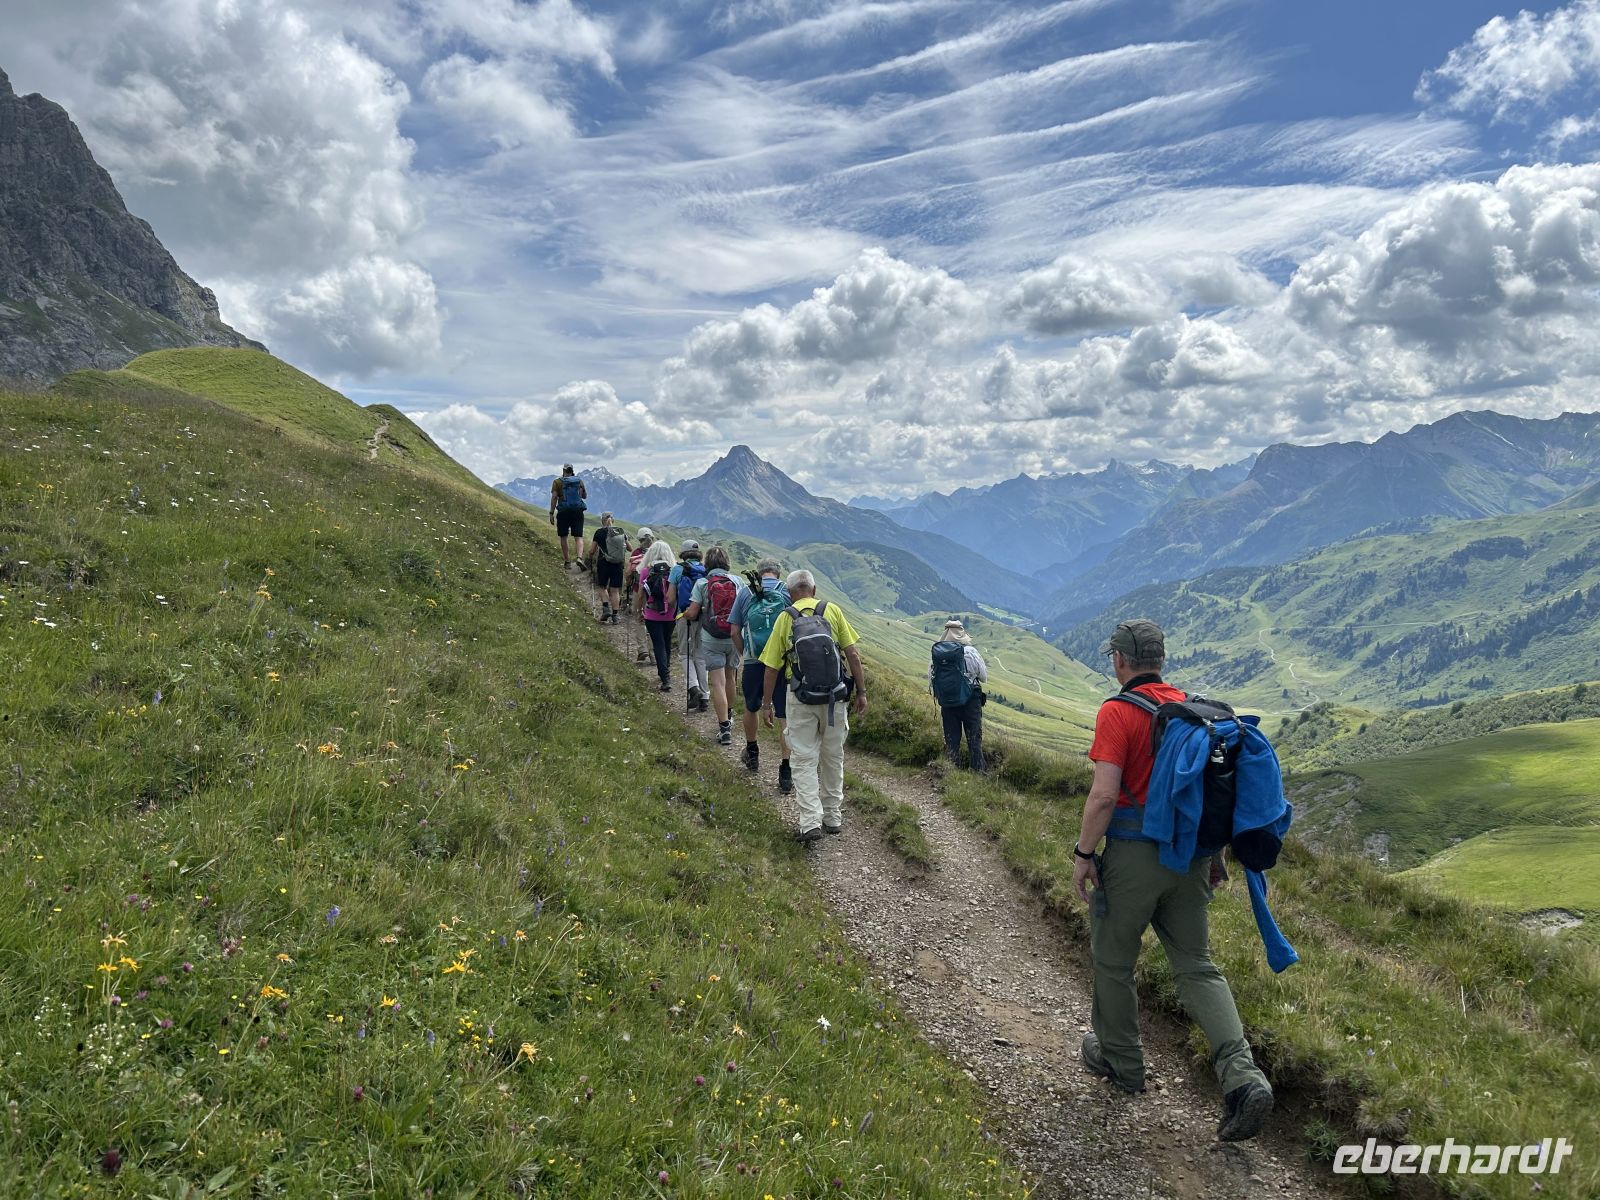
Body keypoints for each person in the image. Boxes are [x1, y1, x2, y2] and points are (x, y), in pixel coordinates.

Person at [1070, 619, 1275, 1142]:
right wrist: (1213, 855)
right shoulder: (1188, 712)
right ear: (1160, 659)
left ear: (1119, 660)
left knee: (1114, 961)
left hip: (1134, 859)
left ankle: (1122, 1063)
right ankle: (1243, 1077)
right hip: (1190, 860)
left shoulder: (1117, 712)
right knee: (1198, 967)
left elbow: (1104, 795)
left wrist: (1083, 853)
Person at [759, 570, 867, 842]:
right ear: (814, 589)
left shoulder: (786, 618)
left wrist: (766, 704)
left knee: (804, 759)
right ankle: (833, 817)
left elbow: (772, 667)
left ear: (790, 592)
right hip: (835, 697)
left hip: (800, 698)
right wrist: (861, 692)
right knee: (833, 757)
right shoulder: (832, 610)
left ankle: (810, 822)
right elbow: (852, 654)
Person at [730, 557, 793, 794]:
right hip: (781, 661)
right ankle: (786, 770)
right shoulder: (786, 592)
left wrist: (745, 653)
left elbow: (734, 630)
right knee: (785, 715)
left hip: (755, 660)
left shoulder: (746, 593)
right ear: (777, 573)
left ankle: (752, 752)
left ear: (759, 573)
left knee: (751, 706)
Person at [682, 545, 745, 745]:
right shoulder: (738, 581)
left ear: (707, 563)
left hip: (711, 638)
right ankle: (730, 713)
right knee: (730, 678)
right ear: (726, 562)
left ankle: (724, 728)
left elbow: (692, 613)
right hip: (734, 637)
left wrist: (687, 614)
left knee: (717, 682)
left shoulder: (702, 583)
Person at [929, 618, 988, 773]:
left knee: (951, 738)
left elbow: (931, 677)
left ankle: (950, 771)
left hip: (947, 701)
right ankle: (978, 772)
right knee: (974, 736)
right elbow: (983, 676)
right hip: (971, 699)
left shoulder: (938, 654)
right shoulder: (970, 652)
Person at [670, 541, 709, 714]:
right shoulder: (705, 571)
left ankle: (693, 688)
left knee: (685, 654)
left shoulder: (677, 570)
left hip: (683, 616)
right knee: (700, 656)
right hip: (703, 617)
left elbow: (670, 598)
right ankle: (705, 697)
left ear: (683, 553)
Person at [635, 538, 678, 692]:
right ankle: (666, 672)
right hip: (671, 614)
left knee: (658, 644)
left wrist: (640, 610)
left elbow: (641, 594)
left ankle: (665, 677)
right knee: (666, 643)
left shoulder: (646, 571)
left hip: (652, 614)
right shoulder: (674, 570)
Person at [589, 513, 629, 624]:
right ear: (613, 520)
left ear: (602, 521)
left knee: (602, 586)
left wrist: (590, 557)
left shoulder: (599, 532)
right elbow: (629, 548)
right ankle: (615, 616)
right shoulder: (620, 532)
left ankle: (606, 608)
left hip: (603, 563)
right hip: (618, 564)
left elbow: (592, 550)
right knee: (615, 590)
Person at [549, 465, 588, 569]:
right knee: (578, 537)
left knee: (563, 536)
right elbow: (584, 496)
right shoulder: (579, 481)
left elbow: (554, 497)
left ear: (563, 471)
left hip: (563, 511)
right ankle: (579, 557)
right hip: (577, 511)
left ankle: (567, 562)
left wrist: (551, 513)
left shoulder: (557, 482)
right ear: (572, 471)